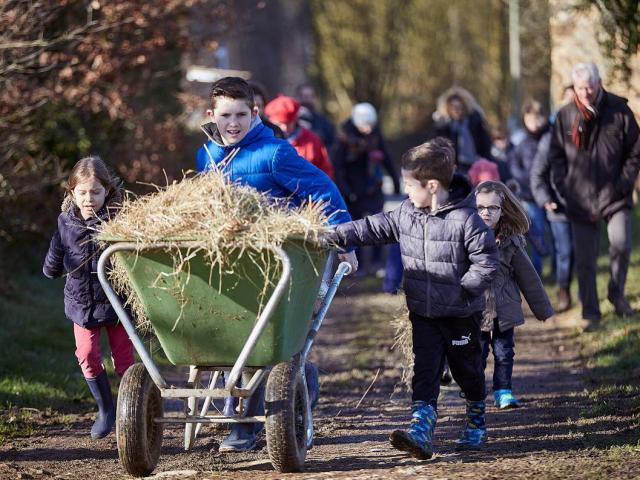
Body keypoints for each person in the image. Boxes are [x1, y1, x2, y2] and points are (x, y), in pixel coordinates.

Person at [195, 76, 358, 452]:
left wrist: (346, 241)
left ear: (255, 114)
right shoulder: (206, 155)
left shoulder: (274, 153)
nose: (232, 123)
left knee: (262, 341)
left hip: (273, 264)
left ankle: (245, 426)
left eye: (240, 114)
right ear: (211, 115)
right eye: (224, 116)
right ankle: (303, 380)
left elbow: (322, 190)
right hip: (227, 264)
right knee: (230, 339)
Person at [327, 137, 499, 458]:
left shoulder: (466, 220)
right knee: (425, 370)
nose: (405, 191)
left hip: (460, 314)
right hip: (423, 312)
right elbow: (372, 228)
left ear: (432, 185)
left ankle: (476, 420)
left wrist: (466, 289)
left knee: (467, 371)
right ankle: (421, 429)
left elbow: (487, 261)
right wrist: (334, 235)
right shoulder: (406, 213)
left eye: (409, 184)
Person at [43, 156, 135, 440]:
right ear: (72, 193)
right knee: (86, 355)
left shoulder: (119, 220)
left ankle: (132, 410)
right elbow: (57, 252)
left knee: (124, 361)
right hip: (81, 303)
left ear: (107, 190)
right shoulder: (65, 222)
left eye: (95, 192)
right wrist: (50, 268)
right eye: (82, 192)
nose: (88, 198)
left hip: (117, 302)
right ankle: (106, 409)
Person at [549, 62, 640, 326]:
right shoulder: (565, 116)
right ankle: (590, 313)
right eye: (580, 88)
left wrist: (624, 183)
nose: (585, 92)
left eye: (589, 87)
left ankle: (616, 293)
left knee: (622, 245)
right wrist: (564, 187)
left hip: (616, 195)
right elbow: (555, 157)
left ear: (599, 83)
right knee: (586, 261)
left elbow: (635, 151)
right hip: (579, 197)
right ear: (574, 87)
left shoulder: (619, 111)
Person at [474, 181, 554, 408]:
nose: (486, 213)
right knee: (476, 354)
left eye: (492, 208)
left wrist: (542, 309)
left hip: (505, 308)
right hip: (475, 309)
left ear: (503, 209)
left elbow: (529, 278)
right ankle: (475, 393)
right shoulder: (465, 239)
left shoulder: (512, 242)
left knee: (504, 352)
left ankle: (503, 391)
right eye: (480, 208)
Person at [332, 102, 401, 274]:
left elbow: (387, 159)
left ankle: (378, 262)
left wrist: (396, 182)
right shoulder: (344, 139)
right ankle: (360, 264)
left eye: (371, 125)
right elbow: (337, 168)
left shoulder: (376, 136)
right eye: (364, 125)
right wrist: (346, 191)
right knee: (357, 228)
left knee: (379, 224)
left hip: (374, 188)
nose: (368, 128)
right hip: (354, 191)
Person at [530, 128, 574, 312]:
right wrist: (545, 198)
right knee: (565, 252)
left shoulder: (588, 132)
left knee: (584, 253)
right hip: (558, 208)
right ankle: (563, 289)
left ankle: (586, 296)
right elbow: (537, 175)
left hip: (586, 207)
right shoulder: (549, 140)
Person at [507, 100, 552, 277]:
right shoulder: (520, 142)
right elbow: (513, 166)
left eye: (538, 118)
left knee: (556, 236)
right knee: (535, 235)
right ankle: (537, 273)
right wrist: (530, 182)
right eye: (531, 119)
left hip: (551, 195)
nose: (535, 123)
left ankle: (559, 272)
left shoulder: (551, 137)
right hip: (530, 197)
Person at [264, 95, 334, 178]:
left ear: (295, 120)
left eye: (289, 123)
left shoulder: (312, 141)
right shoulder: (264, 141)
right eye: (279, 124)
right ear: (271, 121)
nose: (284, 128)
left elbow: (325, 171)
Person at [431, 87, 493, 175]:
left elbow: (486, 146)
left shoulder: (475, 123)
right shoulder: (443, 127)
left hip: (477, 166)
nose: (456, 110)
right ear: (448, 108)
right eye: (453, 107)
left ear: (465, 107)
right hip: (453, 169)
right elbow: (437, 150)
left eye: (459, 107)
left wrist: (485, 164)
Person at [296, 83, 337, 151]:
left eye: (309, 96)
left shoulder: (325, 122)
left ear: (314, 98)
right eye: (303, 96)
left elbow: (332, 144)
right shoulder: (291, 122)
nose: (306, 100)